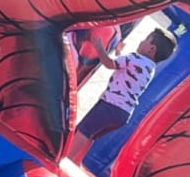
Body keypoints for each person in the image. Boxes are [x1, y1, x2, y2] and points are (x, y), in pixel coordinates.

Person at [68, 27, 176, 161]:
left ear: (152, 48)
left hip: (110, 105)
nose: (141, 41)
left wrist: (100, 47)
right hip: (123, 114)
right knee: (92, 135)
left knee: (84, 131)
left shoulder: (135, 57)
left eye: (146, 40)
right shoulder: (150, 68)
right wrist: (118, 52)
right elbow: (126, 68)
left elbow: (109, 64)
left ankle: (66, 158)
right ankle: (77, 160)